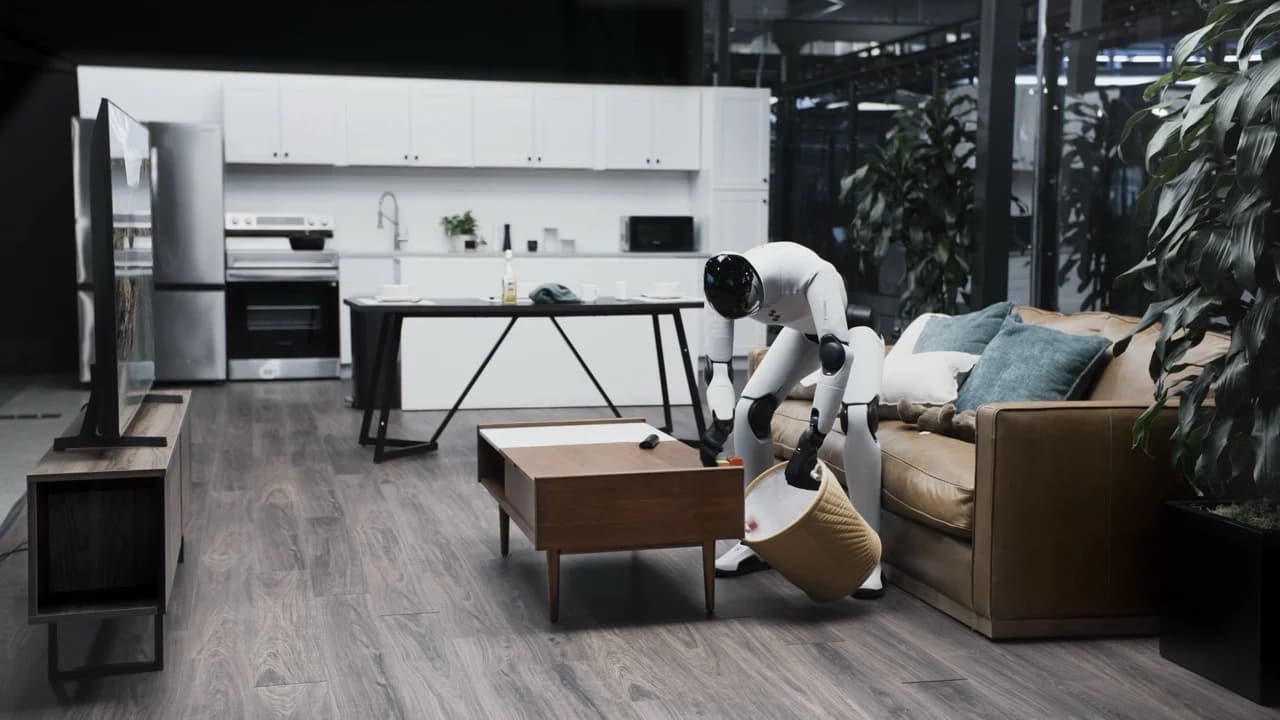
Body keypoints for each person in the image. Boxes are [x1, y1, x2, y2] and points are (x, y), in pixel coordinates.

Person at [700, 242, 886, 598]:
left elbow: (837, 358)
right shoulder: (720, 287)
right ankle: (756, 538)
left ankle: (870, 557)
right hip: (802, 333)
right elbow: (719, 370)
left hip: (852, 334)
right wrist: (719, 423)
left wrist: (811, 441)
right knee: (748, 411)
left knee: (859, 418)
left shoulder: (811, 273)